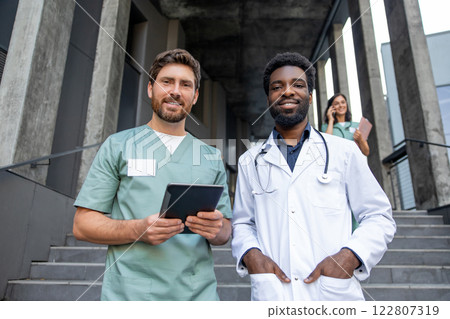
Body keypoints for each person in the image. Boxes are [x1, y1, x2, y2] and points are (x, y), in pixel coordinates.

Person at [231, 52, 396, 301]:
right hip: (274, 294)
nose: (287, 92)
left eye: (298, 85)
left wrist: (350, 255)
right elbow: (243, 223)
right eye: (278, 87)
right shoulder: (249, 161)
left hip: (333, 294)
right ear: (268, 99)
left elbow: (379, 216)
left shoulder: (345, 152)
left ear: (309, 96)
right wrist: (252, 256)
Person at [73, 49, 232, 301]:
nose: (175, 91)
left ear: (195, 96)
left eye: (186, 85)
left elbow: (225, 232)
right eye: (166, 82)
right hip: (130, 296)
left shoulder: (211, 157)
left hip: (196, 296)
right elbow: (82, 225)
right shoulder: (118, 146)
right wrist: (138, 229)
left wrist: (216, 228)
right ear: (150, 89)